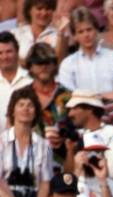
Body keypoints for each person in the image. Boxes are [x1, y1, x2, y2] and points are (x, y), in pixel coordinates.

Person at [1, 86, 53, 197]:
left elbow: (45, 182)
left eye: (30, 105)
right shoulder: (1, 141)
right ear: (13, 110)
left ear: (35, 112)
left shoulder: (43, 145)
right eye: (21, 104)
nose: (25, 109)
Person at [26, 42, 72, 171]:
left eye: (48, 62)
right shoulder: (22, 95)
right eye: (39, 63)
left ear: (55, 65)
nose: (44, 67)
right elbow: (11, 130)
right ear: (30, 66)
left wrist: (63, 137)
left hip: (61, 164)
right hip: (28, 164)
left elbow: (76, 131)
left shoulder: (67, 96)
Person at [58, 7, 113, 95]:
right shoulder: (68, 64)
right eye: (81, 32)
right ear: (74, 36)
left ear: (96, 30)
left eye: (89, 29)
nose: (86, 35)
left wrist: (97, 97)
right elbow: (68, 96)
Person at [0, 31, 32, 134]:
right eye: (0, 53)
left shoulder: (31, 80)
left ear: (17, 52)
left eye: (9, 51)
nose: (5, 57)